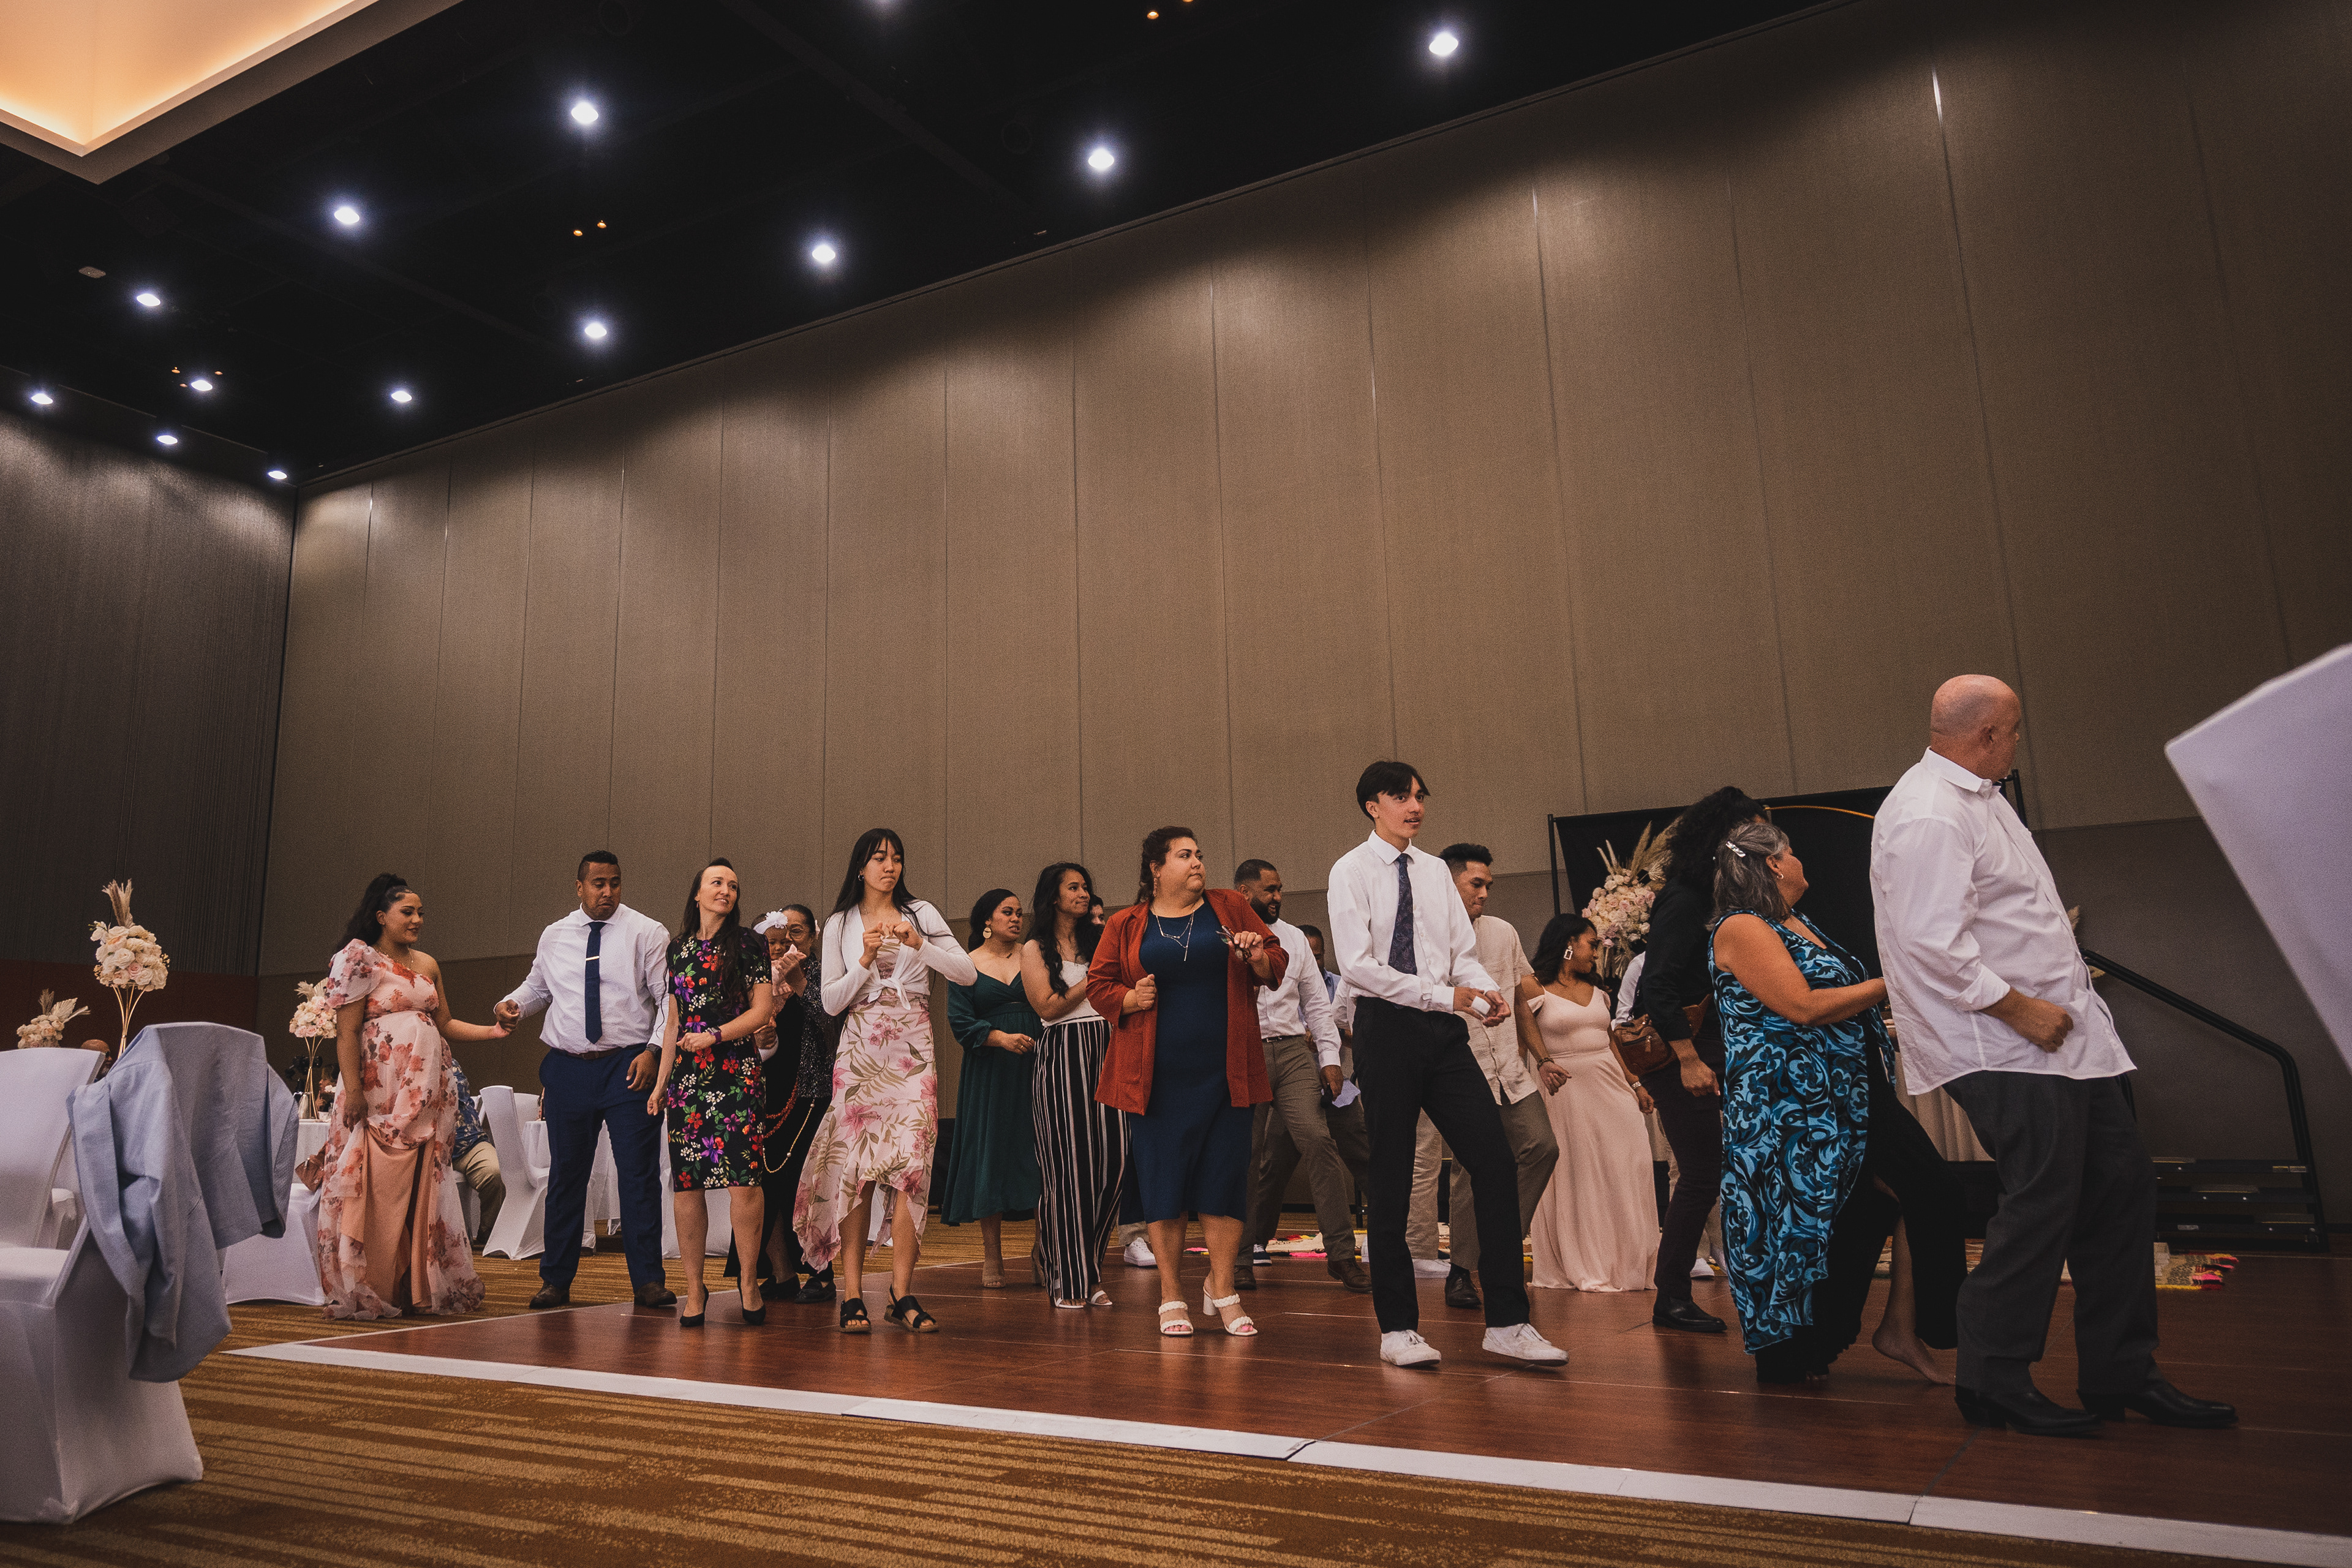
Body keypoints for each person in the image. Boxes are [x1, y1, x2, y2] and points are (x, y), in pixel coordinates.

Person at [1873, 674, 2233, 1435]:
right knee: (2045, 1198)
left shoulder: (1981, 797)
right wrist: (2021, 1009)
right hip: (2002, 1041)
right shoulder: (1929, 810)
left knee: (2120, 1184)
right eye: (2013, 730)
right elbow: (1931, 943)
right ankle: (1993, 1377)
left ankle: (2120, 1371)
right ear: (1986, 735)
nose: (2017, 742)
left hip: (2064, 1041)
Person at [1327, 762, 1568, 1370]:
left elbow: (1462, 953)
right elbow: (1357, 966)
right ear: (1372, 805)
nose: (1415, 806)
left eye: (1420, 796)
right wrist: (1445, 995)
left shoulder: (1435, 870)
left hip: (1444, 1032)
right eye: (1401, 796)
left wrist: (1484, 993)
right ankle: (1398, 1328)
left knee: (1494, 1159)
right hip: (1386, 1028)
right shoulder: (1350, 871)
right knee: (1391, 1174)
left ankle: (1508, 1322)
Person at [1711, 817, 1913, 1383]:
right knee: (1791, 1220)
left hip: (1833, 1100)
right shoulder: (1743, 927)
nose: (1802, 861)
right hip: (1783, 1106)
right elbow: (1802, 1007)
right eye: (1793, 852)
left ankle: (1840, 1333)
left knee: (1853, 1208)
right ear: (1775, 863)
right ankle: (1791, 1349)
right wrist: (1897, 983)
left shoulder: (1796, 924)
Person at [1087, 827, 1281, 1338]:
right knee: (1164, 1182)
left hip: (1227, 1072)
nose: (1197, 862)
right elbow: (1099, 984)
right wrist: (1131, 1000)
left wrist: (1254, 954)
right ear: (1156, 868)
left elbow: (1274, 960)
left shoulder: (1230, 907)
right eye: (1184, 855)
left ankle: (1223, 1288)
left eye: (1199, 854)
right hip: (1155, 1079)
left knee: (1224, 1180)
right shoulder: (1126, 923)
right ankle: (1171, 1293)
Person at [798, 828, 976, 1333]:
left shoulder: (921, 913)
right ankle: (853, 1293)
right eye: (879, 858)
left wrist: (920, 945)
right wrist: (863, 961)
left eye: (896, 857)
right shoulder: (840, 922)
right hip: (860, 1045)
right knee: (856, 1171)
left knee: (912, 1169)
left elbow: (965, 973)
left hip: (913, 1046)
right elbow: (831, 1001)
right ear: (861, 867)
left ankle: (902, 1292)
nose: (889, 866)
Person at [309, 874, 497, 1319]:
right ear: (381, 916)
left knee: (420, 1181)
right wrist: (354, 1091)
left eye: (420, 913)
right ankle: (374, 1283)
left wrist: (493, 1031)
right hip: (379, 1091)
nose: (417, 920)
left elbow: (445, 1023)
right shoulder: (360, 958)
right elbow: (347, 1031)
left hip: (425, 1092)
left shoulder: (427, 963)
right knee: (380, 1182)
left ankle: (415, 1284)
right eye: (407, 912)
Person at [496, 852, 677, 1311]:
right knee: (567, 1175)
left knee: (637, 1175)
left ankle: (648, 1282)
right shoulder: (555, 935)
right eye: (598, 884)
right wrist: (512, 1004)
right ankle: (555, 1280)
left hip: (629, 1065)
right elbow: (538, 988)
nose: (607, 892)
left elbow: (668, 1001)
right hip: (568, 1067)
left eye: (615, 883)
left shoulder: (646, 932)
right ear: (579, 887)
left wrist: (653, 1053)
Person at [1629, 786, 1765, 1333]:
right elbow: (1657, 986)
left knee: (1715, 1171)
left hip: (1712, 1045)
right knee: (1702, 1173)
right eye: (1753, 833)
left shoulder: (1717, 896)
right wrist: (1687, 1058)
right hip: (1679, 1051)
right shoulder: (1685, 899)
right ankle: (1671, 1297)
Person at [1418, 844, 1558, 1312]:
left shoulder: (1502, 931)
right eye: (1475, 884)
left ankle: (1498, 1245)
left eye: (1488, 886)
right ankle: (1461, 1271)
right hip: (1463, 1068)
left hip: (1511, 1070)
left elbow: (1519, 1001)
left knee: (1543, 1147)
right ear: (1449, 883)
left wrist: (1542, 1058)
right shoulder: (1426, 940)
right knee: (1468, 1170)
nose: (1484, 893)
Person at [645, 859, 775, 1329]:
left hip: (736, 1072)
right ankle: (695, 1286)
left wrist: (715, 1036)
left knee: (745, 1181)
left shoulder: (749, 943)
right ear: (698, 894)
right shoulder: (677, 949)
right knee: (688, 1185)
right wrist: (661, 1083)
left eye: (733, 885)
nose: (726, 890)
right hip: (688, 1080)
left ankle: (748, 1281)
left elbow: (761, 1011)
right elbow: (673, 1023)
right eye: (717, 882)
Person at [1234, 860, 1370, 1293]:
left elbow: (1316, 1003)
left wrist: (1330, 1059)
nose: (1277, 897)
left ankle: (1342, 1256)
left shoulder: (1293, 938)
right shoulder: (1225, 937)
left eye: (1280, 889)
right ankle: (1240, 1259)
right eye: (1269, 890)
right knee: (1246, 1154)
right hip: (1246, 1051)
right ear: (1244, 892)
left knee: (1318, 1141)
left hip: (1293, 1051)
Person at [1525, 915, 1657, 1292]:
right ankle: (1589, 1260)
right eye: (1592, 944)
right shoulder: (1533, 987)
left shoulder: (1598, 989)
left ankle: (1628, 1260)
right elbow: (1522, 1038)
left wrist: (1635, 1083)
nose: (1597, 952)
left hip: (1613, 1088)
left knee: (1628, 1167)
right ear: (1569, 943)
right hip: (1566, 1092)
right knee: (1581, 1174)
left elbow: (1610, 1041)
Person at [1020, 862, 1127, 1309]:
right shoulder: (1034, 948)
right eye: (1074, 888)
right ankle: (1068, 1279)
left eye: (1086, 887)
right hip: (1063, 1050)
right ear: (1054, 896)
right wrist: (1093, 979)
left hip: (1109, 1045)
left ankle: (1090, 1269)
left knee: (1114, 1164)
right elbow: (1047, 1007)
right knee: (1069, 1170)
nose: (1084, 894)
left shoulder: (1100, 940)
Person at [729, 905, 839, 1302]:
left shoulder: (825, 974)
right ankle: (781, 1273)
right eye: (779, 935)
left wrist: (801, 984)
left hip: (811, 1093)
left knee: (806, 1186)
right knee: (764, 1184)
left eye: (796, 932)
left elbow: (833, 1026)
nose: (786, 942)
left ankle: (821, 1273)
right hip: (765, 1092)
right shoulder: (757, 979)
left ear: (812, 936)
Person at [944, 888, 1044, 1287]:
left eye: (1019, 912)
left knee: (1039, 1152)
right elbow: (959, 1021)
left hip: (1036, 1065)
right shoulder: (965, 964)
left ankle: (1043, 1250)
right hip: (989, 1071)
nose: (1017, 918)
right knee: (991, 1152)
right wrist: (1000, 1038)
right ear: (987, 920)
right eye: (1007, 912)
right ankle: (992, 1257)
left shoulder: (1034, 956)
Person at [446, 1059, 506, 1248]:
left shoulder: (450, 1062)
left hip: (468, 1142)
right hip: (429, 1149)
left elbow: (455, 1095)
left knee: (495, 1172)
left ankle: (488, 1232)